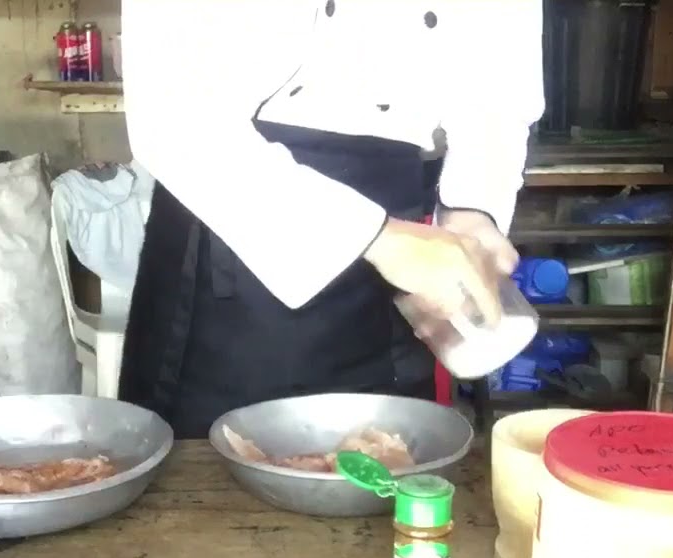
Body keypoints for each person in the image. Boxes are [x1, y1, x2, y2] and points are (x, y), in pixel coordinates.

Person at [118, 0, 544, 438]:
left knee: (393, 459)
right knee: (210, 469)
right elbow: (171, 117)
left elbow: (499, 92)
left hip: (400, 240)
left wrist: (474, 210)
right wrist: (383, 240)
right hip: (232, 217)